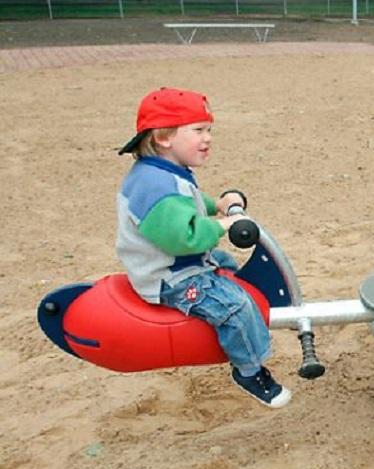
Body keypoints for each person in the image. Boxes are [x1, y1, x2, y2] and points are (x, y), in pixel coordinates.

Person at [116, 87, 292, 408]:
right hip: (171, 279)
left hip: (179, 264)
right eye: (198, 130)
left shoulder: (164, 172)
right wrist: (222, 225)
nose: (207, 138)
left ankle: (247, 307)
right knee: (235, 306)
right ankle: (250, 370)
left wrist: (218, 205)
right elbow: (184, 238)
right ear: (164, 137)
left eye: (208, 130)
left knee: (226, 263)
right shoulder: (155, 186)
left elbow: (187, 205)